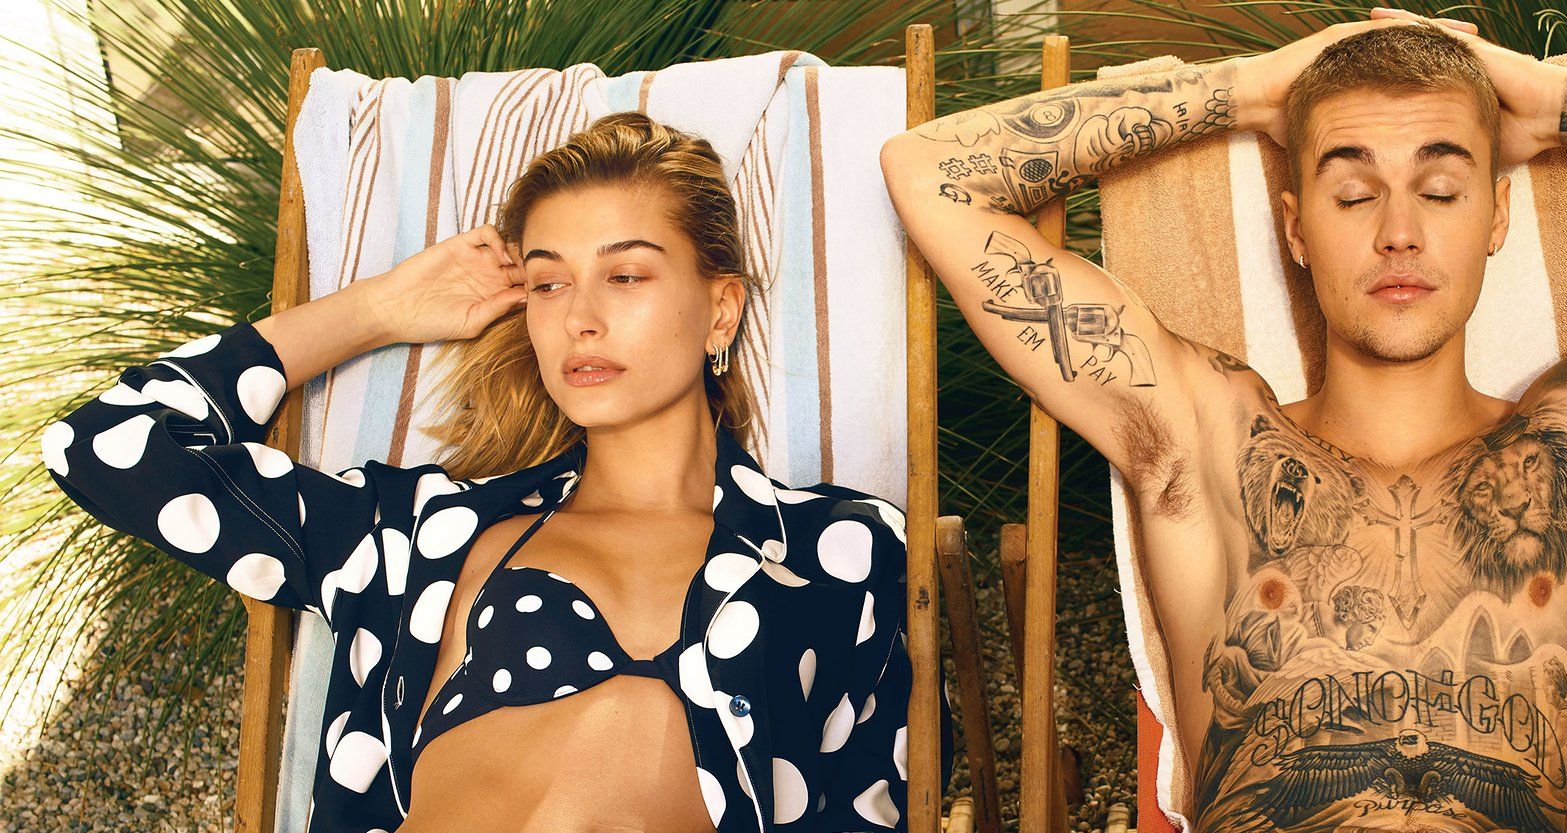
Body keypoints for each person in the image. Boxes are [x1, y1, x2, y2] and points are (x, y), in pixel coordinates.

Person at [881, 8, 1567, 833]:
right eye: (1352, 190)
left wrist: (1560, 105)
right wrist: (1256, 93)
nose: (1399, 231)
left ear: (1498, 212)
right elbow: (928, 173)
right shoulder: (1207, 439)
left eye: (1443, 187)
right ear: (1296, 226)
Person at [44, 112, 924, 833]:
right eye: (547, 284)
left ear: (720, 309)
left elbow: (870, 805)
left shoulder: (841, 549)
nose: (580, 317)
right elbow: (107, 444)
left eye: (625, 275)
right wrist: (380, 308)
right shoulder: (421, 535)